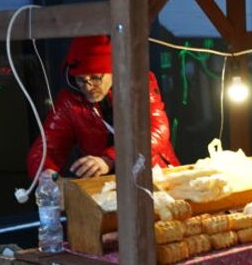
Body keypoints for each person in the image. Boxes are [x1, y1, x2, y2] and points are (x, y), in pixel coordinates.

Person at [25, 35, 179, 179]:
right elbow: (46, 148)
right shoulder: (69, 102)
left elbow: (158, 130)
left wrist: (110, 158)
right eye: (80, 79)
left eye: (95, 77)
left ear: (113, 71)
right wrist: (47, 178)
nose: (88, 86)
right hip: (104, 185)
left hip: (154, 174)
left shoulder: (139, 85)